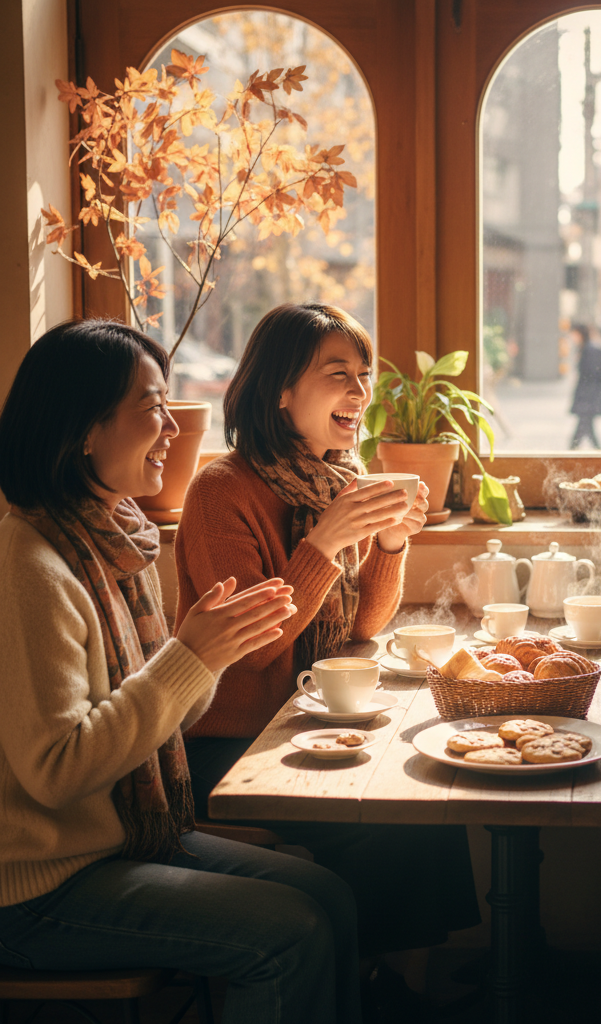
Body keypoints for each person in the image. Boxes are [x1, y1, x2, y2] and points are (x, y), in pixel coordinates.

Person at [0, 319, 362, 1024]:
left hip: (124, 838)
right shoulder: (31, 566)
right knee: (290, 931)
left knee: (330, 896)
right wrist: (190, 657)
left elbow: (156, 710)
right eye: (152, 406)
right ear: (84, 429)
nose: (172, 425)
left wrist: (206, 658)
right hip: (42, 887)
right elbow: (57, 772)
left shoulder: (110, 543)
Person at [174, 302, 480, 1000]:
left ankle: (400, 982)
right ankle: (372, 984)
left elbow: (363, 627)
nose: (360, 391)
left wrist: (393, 542)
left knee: (429, 798)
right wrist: (323, 545)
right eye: (338, 374)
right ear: (281, 390)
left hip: (312, 723)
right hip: (234, 748)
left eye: (364, 376)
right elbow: (252, 652)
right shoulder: (222, 492)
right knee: (395, 819)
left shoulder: (337, 480)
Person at [568, 323, 601, 449]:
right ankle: (599, 454)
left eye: (574, 334)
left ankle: (570, 455)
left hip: (588, 398)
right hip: (588, 398)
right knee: (586, 430)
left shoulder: (589, 350)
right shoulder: (586, 349)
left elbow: (592, 376)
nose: (572, 338)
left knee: (583, 429)